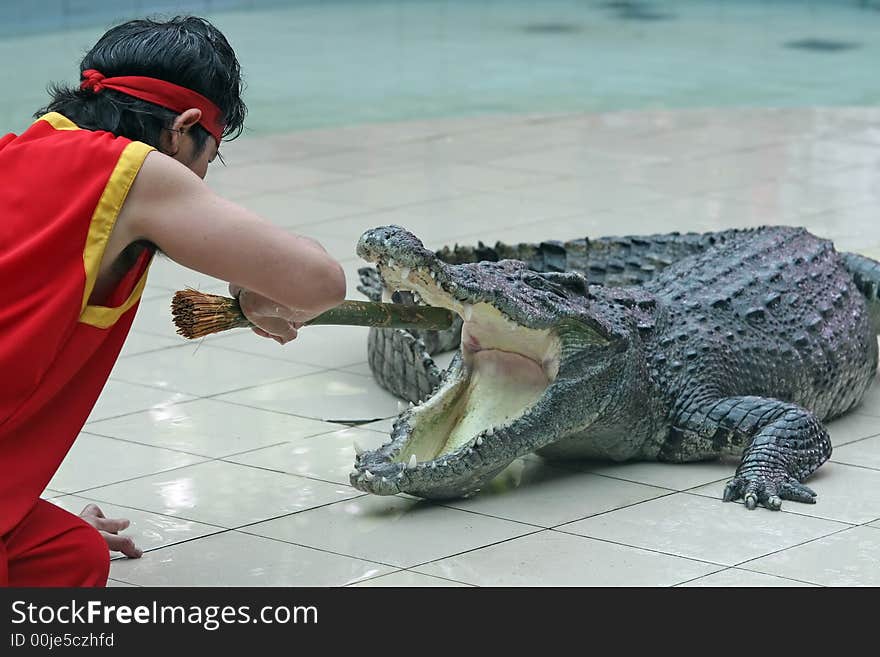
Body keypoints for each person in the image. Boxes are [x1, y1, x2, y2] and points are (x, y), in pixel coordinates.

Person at [0, 16, 346, 587]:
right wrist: (254, 284)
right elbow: (320, 282)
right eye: (210, 156)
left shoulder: (24, 151)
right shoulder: (133, 172)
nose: (202, 179)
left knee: (67, 555)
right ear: (182, 129)